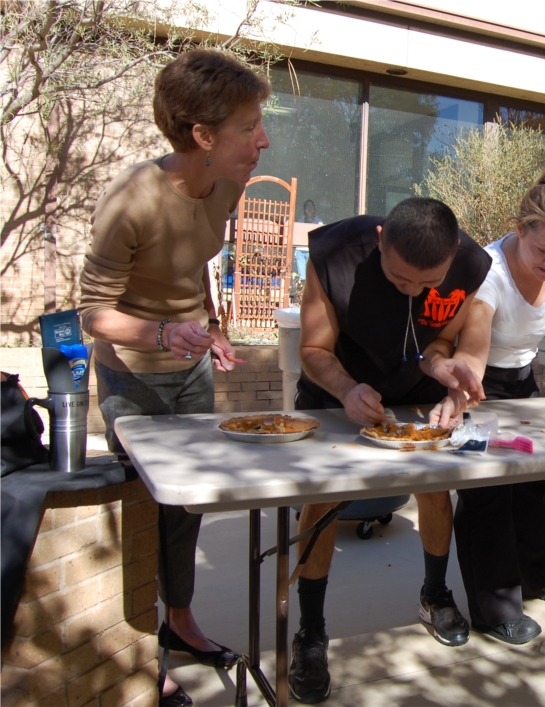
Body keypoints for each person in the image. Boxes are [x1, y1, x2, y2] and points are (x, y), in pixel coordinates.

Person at [78, 49, 271, 707]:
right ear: (202, 137)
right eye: (250, 126)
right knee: (138, 514)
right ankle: (146, 653)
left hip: (188, 367)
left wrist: (209, 328)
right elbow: (94, 312)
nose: (262, 139)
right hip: (132, 376)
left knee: (184, 507)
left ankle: (181, 622)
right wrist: (163, 334)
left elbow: (193, 269)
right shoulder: (128, 204)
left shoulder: (229, 181)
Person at [291, 197, 491, 702]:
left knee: (435, 489)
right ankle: (311, 631)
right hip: (337, 390)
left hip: (414, 390)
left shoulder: (468, 265)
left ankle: (435, 594)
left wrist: (444, 371)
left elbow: (440, 344)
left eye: (428, 285)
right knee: (321, 501)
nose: (414, 292)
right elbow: (313, 350)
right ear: (380, 239)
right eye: (402, 280)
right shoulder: (334, 255)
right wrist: (345, 390)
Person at [435, 159, 545, 644]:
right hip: (479, 381)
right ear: (518, 229)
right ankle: (494, 607)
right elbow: (474, 350)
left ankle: (536, 577)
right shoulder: (489, 271)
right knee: (487, 489)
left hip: (524, 381)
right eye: (541, 250)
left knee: (533, 484)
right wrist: (464, 399)